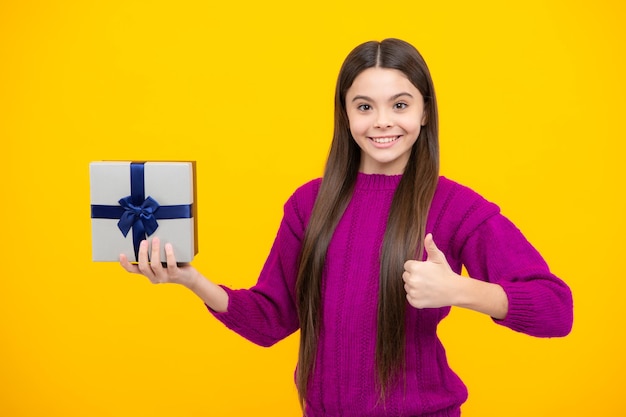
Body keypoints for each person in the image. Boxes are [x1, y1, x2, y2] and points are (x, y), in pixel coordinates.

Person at [120, 38, 573, 417]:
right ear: (345, 113)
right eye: (364, 106)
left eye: (399, 104)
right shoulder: (309, 203)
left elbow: (557, 309)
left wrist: (460, 290)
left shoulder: (457, 206)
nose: (381, 122)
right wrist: (190, 279)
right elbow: (271, 319)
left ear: (425, 112)